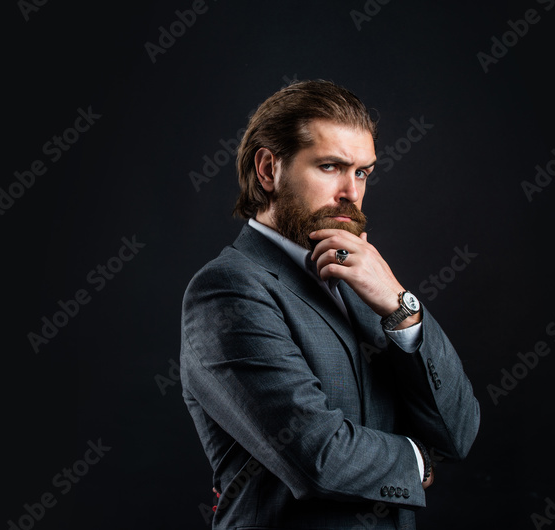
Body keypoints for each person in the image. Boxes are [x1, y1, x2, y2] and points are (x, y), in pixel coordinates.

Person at [180, 79, 480, 529]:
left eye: (362, 172)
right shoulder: (228, 289)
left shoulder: (365, 281)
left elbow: (458, 433)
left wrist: (401, 306)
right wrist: (419, 462)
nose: (351, 193)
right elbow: (317, 455)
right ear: (268, 170)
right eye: (330, 167)